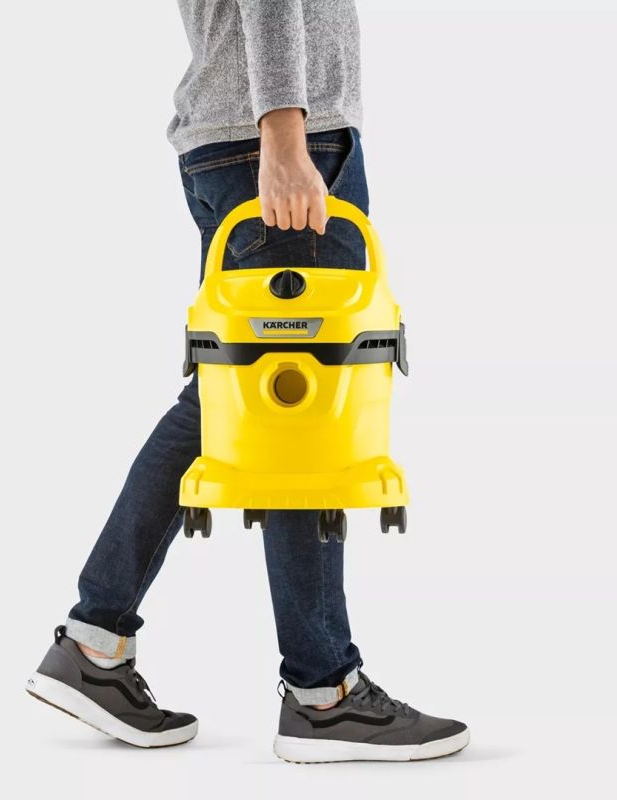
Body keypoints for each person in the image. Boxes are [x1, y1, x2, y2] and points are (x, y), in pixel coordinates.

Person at [27, 0, 469, 762]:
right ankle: (323, 693)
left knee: (239, 398)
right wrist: (285, 135)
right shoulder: (283, 138)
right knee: (301, 404)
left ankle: (97, 641)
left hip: (234, 138)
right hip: (278, 142)